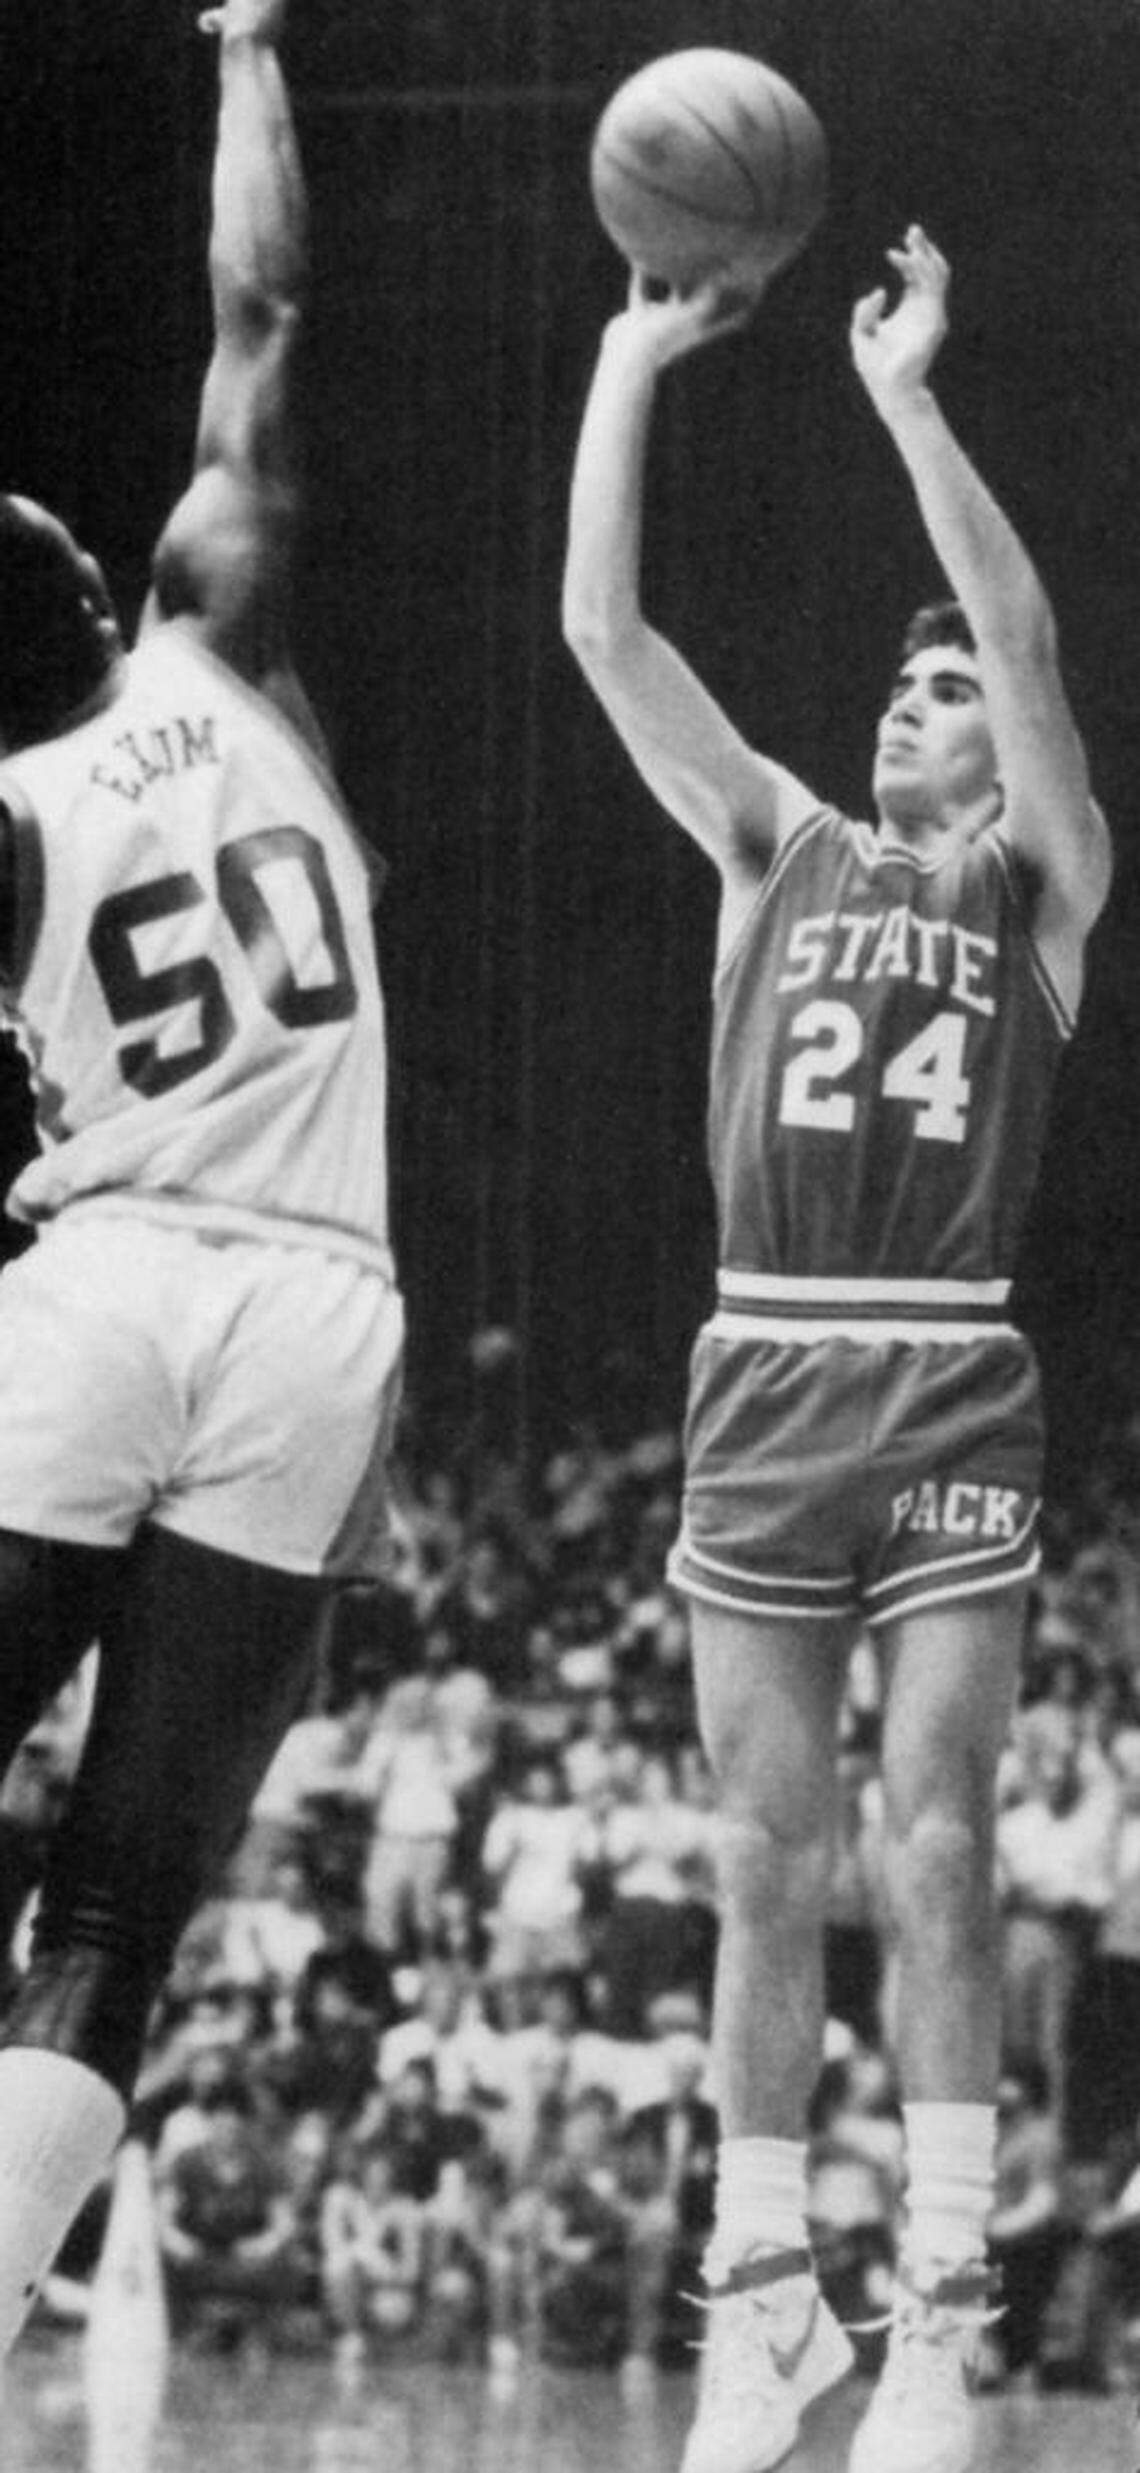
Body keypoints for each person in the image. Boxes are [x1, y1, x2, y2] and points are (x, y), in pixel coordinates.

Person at [563, 226, 1110, 2473]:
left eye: (943, 691)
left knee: (943, 1841)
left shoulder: (1042, 882)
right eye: (902, 684)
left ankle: (941, 2318)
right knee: (763, 1855)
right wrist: (629, 359)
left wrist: (903, 399)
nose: (917, 700)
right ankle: (764, 2303)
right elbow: (604, 635)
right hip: (766, 1364)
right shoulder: (771, 843)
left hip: (948, 1359)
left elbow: (1030, 642)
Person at [0, 0, 404, 2357]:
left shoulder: (7, 831)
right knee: (112, 1915)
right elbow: (262, 303)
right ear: (92, 585)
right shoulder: (220, 625)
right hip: (317, 1306)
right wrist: (248, 41)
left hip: (106, 1275)